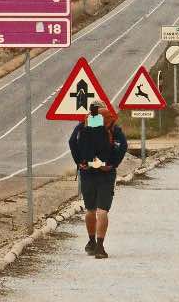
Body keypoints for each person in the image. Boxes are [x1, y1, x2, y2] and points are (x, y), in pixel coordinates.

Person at [68, 101, 128, 259]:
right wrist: (112, 164)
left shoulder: (82, 126)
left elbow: (72, 142)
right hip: (106, 173)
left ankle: (91, 242)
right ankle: (100, 247)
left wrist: (80, 162)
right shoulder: (113, 127)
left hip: (87, 171)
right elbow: (123, 146)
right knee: (102, 211)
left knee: (90, 210)